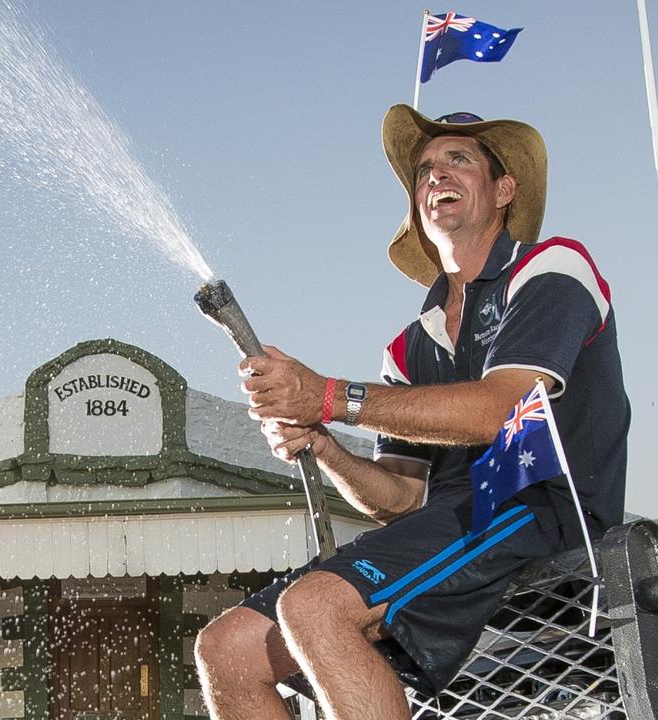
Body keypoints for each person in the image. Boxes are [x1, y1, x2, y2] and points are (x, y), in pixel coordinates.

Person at [194, 105, 628, 720]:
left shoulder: (551, 268)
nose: (435, 176)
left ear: (504, 189)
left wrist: (328, 397)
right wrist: (324, 443)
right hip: (448, 522)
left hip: (542, 509)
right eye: (424, 169)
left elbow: (495, 411)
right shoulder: (408, 346)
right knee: (227, 649)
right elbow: (397, 498)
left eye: (459, 159)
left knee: (314, 606)